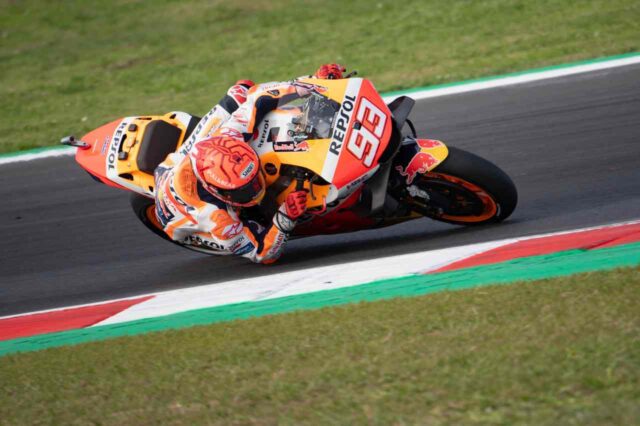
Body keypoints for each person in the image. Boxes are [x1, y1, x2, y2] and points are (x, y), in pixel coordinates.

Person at [153, 64, 346, 264]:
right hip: (174, 206)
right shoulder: (216, 217)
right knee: (258, 220)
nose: (256, 189)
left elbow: (259, 97)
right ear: (217, 190)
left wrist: (313, 83)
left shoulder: (230, 135)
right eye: (244, 190)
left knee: (242, 91)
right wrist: (285, 217)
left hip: (186, 159)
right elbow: (262, 254)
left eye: (253, 181)